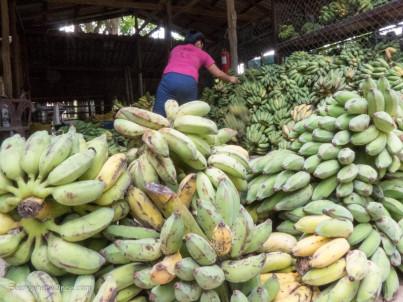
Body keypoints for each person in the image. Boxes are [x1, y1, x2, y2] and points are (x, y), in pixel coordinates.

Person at [153, 30, 239, 116]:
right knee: (186, 118)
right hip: (188, 83)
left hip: (168, 80)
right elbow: (218, 74)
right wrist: (231, 78)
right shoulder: (203, 54)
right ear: (199, 43)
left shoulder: (175, 49)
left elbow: (172, 65)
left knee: (158, 116)